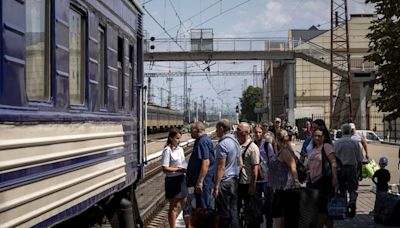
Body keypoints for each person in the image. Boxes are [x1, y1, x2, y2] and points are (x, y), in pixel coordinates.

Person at [306, 122, 338, 228]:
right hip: (313, 182)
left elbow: (333, 163)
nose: (317, 138)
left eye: (319, 136)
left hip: (324, 182)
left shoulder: (327, 146)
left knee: (322, 209)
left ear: (324, 137)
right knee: (319, 209)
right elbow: (308, 165)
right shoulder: (313, 149)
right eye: (315, 136)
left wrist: (334, 178)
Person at [268, 129, 300, 228]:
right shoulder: (282, 150)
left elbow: (292, 166)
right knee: (281, 216)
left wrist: (296, 181)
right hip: (280, 188)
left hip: (284, 188)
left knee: (280, 216)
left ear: (277, 139)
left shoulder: (284, 151)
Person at [213, 119, 241, 228]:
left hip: (224, 182)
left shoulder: (223, 144)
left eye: (217, 129)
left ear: (221, 128)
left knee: (224, 212)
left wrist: (216, 186)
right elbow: (239, 162)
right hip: (234, 180)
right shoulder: (235, 141)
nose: (216, 132)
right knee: (233, 209)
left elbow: (221, 167)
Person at [334, 123, 363, 219]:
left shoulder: (337, 143)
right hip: (352, 168)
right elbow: (359, 159)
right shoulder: (355, 143)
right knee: (352, 188)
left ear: (342, 132)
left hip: (340, 168)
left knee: (342, 189)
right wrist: (360, 172)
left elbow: (333, 158)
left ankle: (345, 208)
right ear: (351, 131)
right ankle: (352, 201)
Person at [161, 128, 189, 228]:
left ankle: (188, 226)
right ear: (171, 138)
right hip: (172, 180)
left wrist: (185, 168)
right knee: (174, 207)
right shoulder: (167, 151)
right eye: (177, 138)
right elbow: (164, 168)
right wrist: (177, 169)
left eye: (179, 138)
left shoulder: (180, 149)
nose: (179, 140)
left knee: (185, 205)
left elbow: (183, 162)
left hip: (181, 179)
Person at [186, 121, 216, 209]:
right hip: (204, 181)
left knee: (203, 208)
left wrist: (199, 182)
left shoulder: (202, 142)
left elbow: (206, 162)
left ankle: (205, 222)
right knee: (201, 205)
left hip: (204, 182)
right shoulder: (202, 140)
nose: (190, 132)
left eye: (191, 130)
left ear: (197, 130)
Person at [236, 122, 260, 227]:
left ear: (245, 132)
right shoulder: (237, 145)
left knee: (250, 209)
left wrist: (253, 185)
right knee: (237, 208)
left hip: (247, 183)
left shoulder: (253, 147)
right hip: (237, 182)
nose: (236, 131)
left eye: (238, 130)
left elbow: (255, 168)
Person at [254, 125, 274, 228]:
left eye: (259, 132)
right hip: (256, 179)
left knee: (268, 202)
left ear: (263, 133)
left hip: (266, 179)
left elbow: (272, 161)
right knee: (257, 202)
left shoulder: (267, 145)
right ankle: (258, 219)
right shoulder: (252, 145)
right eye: (256, 132)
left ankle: (269, 223)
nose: (257, 134)